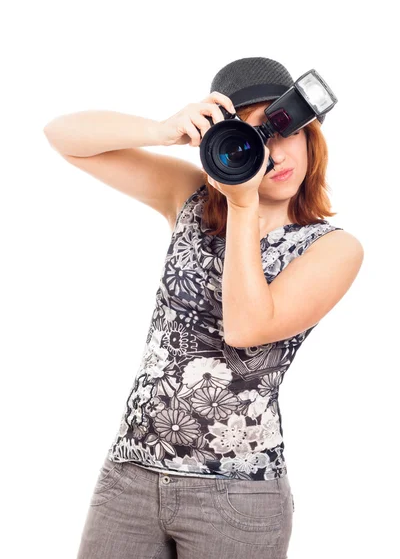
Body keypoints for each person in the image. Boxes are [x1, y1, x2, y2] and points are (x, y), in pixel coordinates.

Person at [43, 57, 364, 559]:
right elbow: (62, 135)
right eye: (250, 138)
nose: (272, 154)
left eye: (283, 132)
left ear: (310, 137)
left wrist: (244, 204)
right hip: (131, 474)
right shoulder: (190, 200)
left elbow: (246, 326)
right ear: (221, 145)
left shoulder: (332, 248)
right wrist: (165, 130)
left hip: (237, 494)